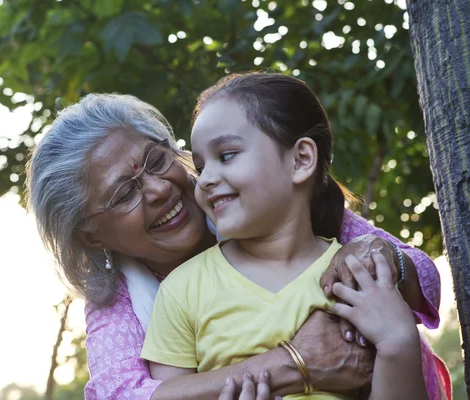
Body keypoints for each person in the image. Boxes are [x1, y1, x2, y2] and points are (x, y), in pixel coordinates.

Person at [25, 92, 448, 399]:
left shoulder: (267, 207)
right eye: (124, 194)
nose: (157, 189)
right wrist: (296, 363)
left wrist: (382, 256)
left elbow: (425, 279)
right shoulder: (123, 299)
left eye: (157, 160)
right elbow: (123, 395)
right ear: (91, 236)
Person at [140, 72, 431, 399]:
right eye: (200, 166)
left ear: (301, 160)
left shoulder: (354, 278)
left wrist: (398, 343)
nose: (205, 179)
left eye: (226, 155)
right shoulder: (183, 290)